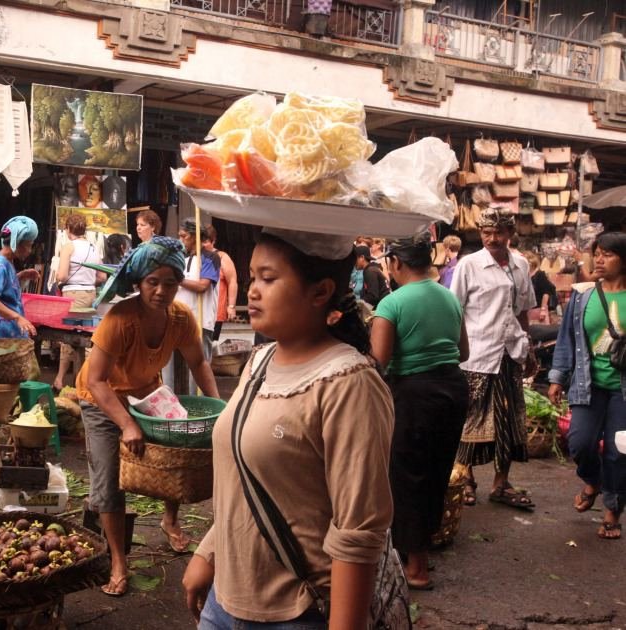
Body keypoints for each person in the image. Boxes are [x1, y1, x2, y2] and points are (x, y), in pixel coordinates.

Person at [182, 228, 393, 628]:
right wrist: (207, 554)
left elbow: (358, 530)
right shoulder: (259, 361)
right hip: (223, 603)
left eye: (268, 278)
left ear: (320, 292)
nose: (253, 291)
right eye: (252, 277)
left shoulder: (348, 382)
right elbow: (241, 476)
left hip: (297, 611)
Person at [77, 236, 219, 596]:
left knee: (178, 451)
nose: (160, 290)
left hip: (147, 395)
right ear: (139, 283)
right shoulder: (120, 319)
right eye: (152, 282)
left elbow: (199, 362)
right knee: (109, 481)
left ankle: (170, 521)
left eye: (169, 283)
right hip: (101, 398)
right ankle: (118, 562)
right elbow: (95, 380)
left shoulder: (181, 318)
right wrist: (126, 425)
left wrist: (222, 410)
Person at [370, 234, 470, 590]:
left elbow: (378, 363)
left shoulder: (391, 303)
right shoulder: (449, 298)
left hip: (413, 393)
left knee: (406, 475)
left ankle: (416, 567)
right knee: (435, 472)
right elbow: (462, 353)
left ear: (395, 262)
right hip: (453, 391)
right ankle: (419, 554)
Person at [450, 209, 537, 510]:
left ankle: (501, 483)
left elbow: (524, 310)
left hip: (509, 351)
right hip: (476, 353)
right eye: (486, 233)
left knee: (509, 419)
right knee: (470, 418)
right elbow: (455, 310)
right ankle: (466, 479)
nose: (492, 239)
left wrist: (529, 347)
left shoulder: (521, 265)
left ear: (510, 234)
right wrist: (454, 351)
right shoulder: (469, 265)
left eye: (498, 233)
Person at [548, 232, 626, 540]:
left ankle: (612, 510)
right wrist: (557, 377)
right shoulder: (583, 296)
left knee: (620, 452)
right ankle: (592, 481)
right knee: (579, 443)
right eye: (597, 253)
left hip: (622, 390)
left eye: (608, 254)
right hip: (587, 384)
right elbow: (566, 340)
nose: (600, 260)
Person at [164, 219, 220, 394]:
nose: (181, 240)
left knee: (198, 369)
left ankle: (201, 407)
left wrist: (177, 279)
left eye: (184, 236)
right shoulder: (182, 258)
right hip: (175, 320)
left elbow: (203, 286)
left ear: (195, 236)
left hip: (200, 320)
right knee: (167, 367)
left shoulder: (210, 257)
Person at [53, 213, 106, 390]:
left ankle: (62, 380)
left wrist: (62, 279)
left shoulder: (68, 247)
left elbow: (61, 275)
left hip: (73, 294)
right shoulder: (93, 247)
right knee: (84, 337)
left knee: (69, 337)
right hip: (90, 294)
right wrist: (88, 280)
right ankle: (78, 379)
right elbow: (102, 276)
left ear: (68, 230)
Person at [0, 216, 40, 339]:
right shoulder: (0, 265)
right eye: (29, 245)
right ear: (17, 243)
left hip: (8, 335)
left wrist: (20, 276)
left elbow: (3, 288)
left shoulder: (7, 261)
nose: (30, 251)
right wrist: (17, 317)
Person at [203, 225, 239, 324]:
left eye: (205, 242)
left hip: (216, 311)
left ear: (213, 241)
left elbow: (232, 281)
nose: (202, 245)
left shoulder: (222, 257)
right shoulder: (194, 256)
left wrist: (231, 306)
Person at [523, 251, 558, 320]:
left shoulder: (539, 274)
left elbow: (546, 293)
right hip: (527, 311)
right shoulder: (524, 275)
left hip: (538, 309)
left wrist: (543, 309)